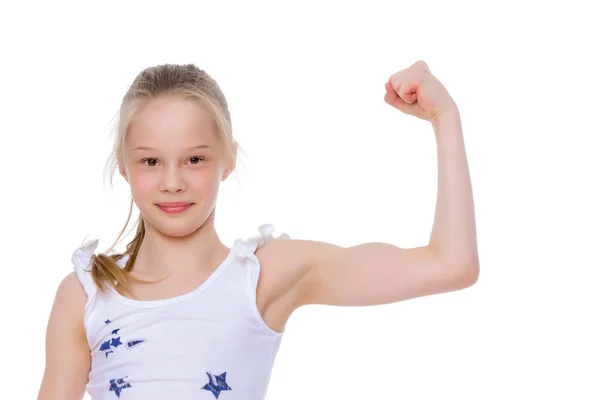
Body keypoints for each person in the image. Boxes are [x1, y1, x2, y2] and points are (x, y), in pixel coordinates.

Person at [37, 60, 479, 400]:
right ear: (124, 167)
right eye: (151, 161)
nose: (173, 181)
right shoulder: (86, 293)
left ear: (228, 159)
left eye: (195, 159)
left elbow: (451, 265)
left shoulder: (262, 274)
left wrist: (446, 117)